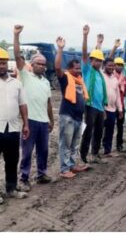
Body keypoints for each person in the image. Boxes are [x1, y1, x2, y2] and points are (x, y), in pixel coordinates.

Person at [14, 25, 54, 192]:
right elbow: (17, 55)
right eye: (39, 64)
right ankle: (24, 178)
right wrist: (16, 35)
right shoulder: (25, 75)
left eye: (44, 64)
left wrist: (51, 120)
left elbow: (49, 103)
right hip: (29, 121)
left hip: (43, 122)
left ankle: (41, 174)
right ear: (32, 64)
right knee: (27, 152)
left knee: (44, 150)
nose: (42, 66)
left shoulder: (45, 82)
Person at [55, 36, 89, 178]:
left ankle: (72, 165)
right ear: (69, 69)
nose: (79, 70)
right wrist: (60, 49)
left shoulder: (80, 81)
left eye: (79, 68)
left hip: (78, 118)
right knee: (66, 144)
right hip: (67, 116)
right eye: (76, 68)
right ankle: (64, 169)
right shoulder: (65, 78)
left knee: (75, 144)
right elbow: (57, 67)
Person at [0, 47, 29, 203]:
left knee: (12, 160)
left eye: (4, 63)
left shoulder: (16, 83)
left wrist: (25, 124)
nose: (1, 66)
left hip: (12, 128)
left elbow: (23, 104)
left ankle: (11, 188)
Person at [79, 25, 108, 164]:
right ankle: (83, 155)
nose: (98, 62)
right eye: (96, 60)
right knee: (88, 131)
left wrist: (99, 44)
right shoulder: (87, 70)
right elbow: (85, 53)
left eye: (100, 61)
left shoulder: (99, 74)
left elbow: (97, 54)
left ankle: (95, 154)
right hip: (89, 106)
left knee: (98, 132)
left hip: (100, 107)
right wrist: (85, 35)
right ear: (91, 61)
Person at [101, 57, 123, 156]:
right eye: (109, 65)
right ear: (104, 66)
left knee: (110, 131)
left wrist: (120, 109)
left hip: (112, 109)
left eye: (113, 65)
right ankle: (95, 152)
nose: (111, 67)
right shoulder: (101, 76)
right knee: (98, 130)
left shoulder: (114, 79)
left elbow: (118, 95)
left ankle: (107, 151)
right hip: (102, 108)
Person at [109, 39, 126, 152]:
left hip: (121, 105)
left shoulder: (124, 77)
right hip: (111, 105)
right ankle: (107, 147)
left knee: (120, 127)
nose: (119, 66)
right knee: (109, 127)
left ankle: (119, 145)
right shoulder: (111, 76)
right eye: (117, 65)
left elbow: (125, 92)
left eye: (121, 65)